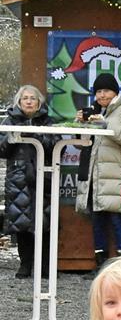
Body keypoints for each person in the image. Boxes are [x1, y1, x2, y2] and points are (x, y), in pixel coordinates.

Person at [73, 73, 121, 270]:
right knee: (97, 221)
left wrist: (105, 124)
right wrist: (80, 124)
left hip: (116, 175)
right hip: (93, 174)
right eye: (99, 91)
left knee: (117, 219)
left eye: (106, 90)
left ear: (115, 92)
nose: (102, 95)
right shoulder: (92, 110)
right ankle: (101, 266)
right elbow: (80, 144)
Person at [0, 84, 59, 278]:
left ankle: (45, 267)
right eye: (25, 98)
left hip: (45, 176)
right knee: (21, 223)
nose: (28, 101)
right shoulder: (10, 121)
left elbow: (58, 146)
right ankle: (25, 265)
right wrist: (13, 137)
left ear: (39, 102)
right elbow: (2, 149)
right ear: (19, 101)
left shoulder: (48, 122)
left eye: (32, 98)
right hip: (18, 177)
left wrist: (36, 135)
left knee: (46, 223)